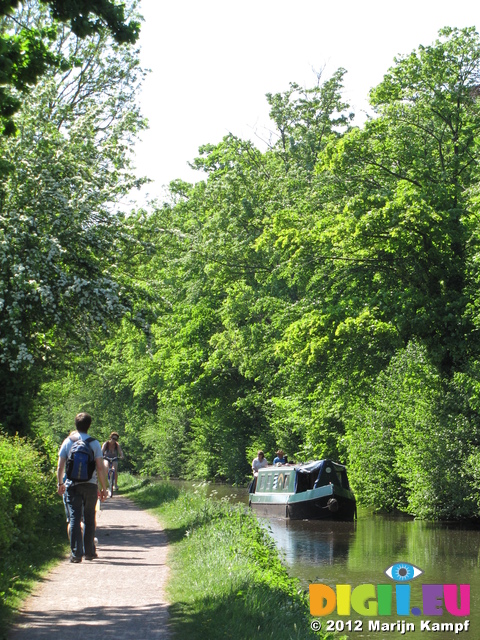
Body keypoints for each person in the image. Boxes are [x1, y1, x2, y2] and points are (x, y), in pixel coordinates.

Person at [57, 413, 108, 563]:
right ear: (89, 425)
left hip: (72, 485)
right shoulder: (94, 443)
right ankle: (90, 552)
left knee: (74, 518)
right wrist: (103, 488)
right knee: (89, 518)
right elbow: (100, 468)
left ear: (75, 424)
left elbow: (60, 466)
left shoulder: (68, 442)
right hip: (91, 485)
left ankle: (76, 554)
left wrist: (60, 483)